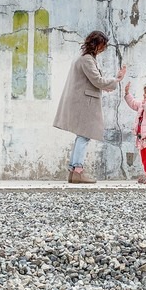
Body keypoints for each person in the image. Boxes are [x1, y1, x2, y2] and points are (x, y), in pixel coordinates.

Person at [53, 30, 126, 184]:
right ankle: (78, 170)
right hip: (85, 103)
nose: (103, 49)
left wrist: (106, 85)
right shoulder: (87, 59)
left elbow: (92, 81)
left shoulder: (84, 58)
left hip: (83, 101)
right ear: (96, 44)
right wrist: (117, 79)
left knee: (82, 135)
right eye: (102, 45)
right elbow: (97, 80)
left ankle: (73, 170)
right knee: (84, 135)